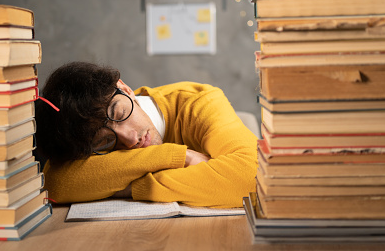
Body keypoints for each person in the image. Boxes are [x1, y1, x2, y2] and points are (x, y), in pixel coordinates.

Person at [35, 61, 257, 208]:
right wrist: (177, 156)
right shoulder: (95, 144)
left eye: (120, 113)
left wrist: (133, 187)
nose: (130, 139)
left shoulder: (200, 101)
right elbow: (55, 183)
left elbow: (252, 177)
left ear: (125, 88)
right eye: (105, 140)